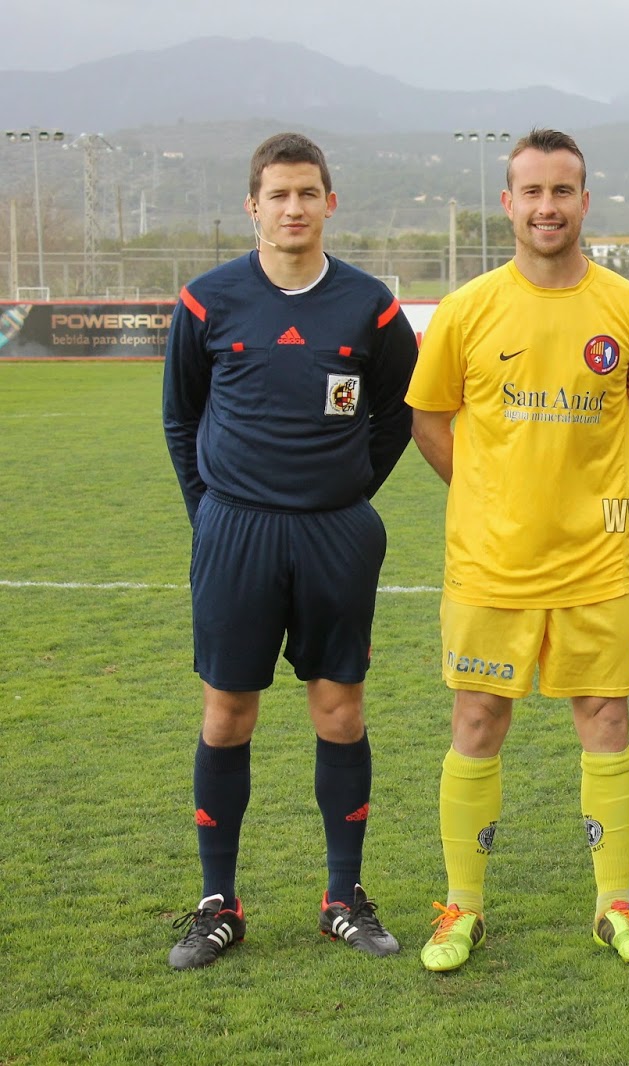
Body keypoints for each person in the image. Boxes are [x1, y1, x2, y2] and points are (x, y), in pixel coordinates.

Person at [407, 128, 629, 970]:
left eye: (563, 191)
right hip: (492, 565)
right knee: (479, 719)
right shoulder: (466, 309)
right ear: (508, 203)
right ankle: (462, 908)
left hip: (597, 564)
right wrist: (493, 499)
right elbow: (430, 420)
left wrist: (591, 497)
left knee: (606, 718)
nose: (547, 206)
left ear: (585, 201)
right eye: (532, 192)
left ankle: (614, 904)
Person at [161, 132, 417, 969]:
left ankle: (342, 898)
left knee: (340, 710)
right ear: (253, 205)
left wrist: (344, 497)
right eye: (278, 195)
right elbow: (181, 419)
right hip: (235, 530)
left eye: (308, 193)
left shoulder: (370, 306)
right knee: (227, 712)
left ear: (330, 202)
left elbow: (396, 415)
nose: (294, 208)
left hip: (336, 532)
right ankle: (217, 904)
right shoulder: (207, 301)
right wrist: (213, 515)